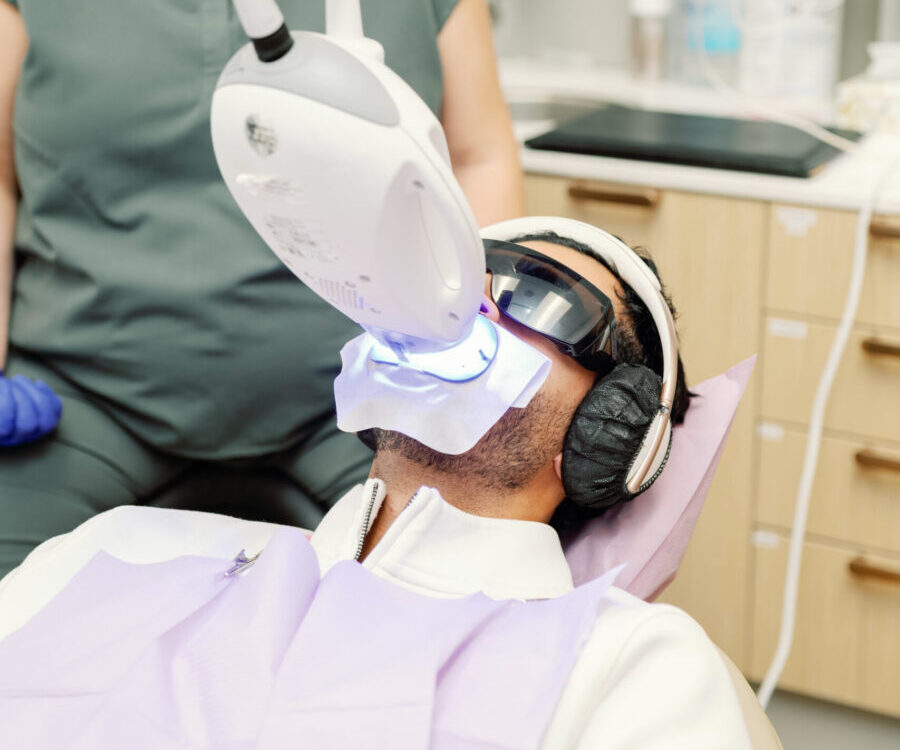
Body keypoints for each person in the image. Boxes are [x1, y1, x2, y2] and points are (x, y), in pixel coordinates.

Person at [0, 227, 758, 749]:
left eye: (536, 296)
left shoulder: (632, 664)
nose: (469, 309)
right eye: (456, 278)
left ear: (610, 430)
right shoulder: (126, 545)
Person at [0, 0, 525, 577]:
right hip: (81, 398)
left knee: (465, 601)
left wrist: (475, 359)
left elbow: (480, 155)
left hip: (366, 397)